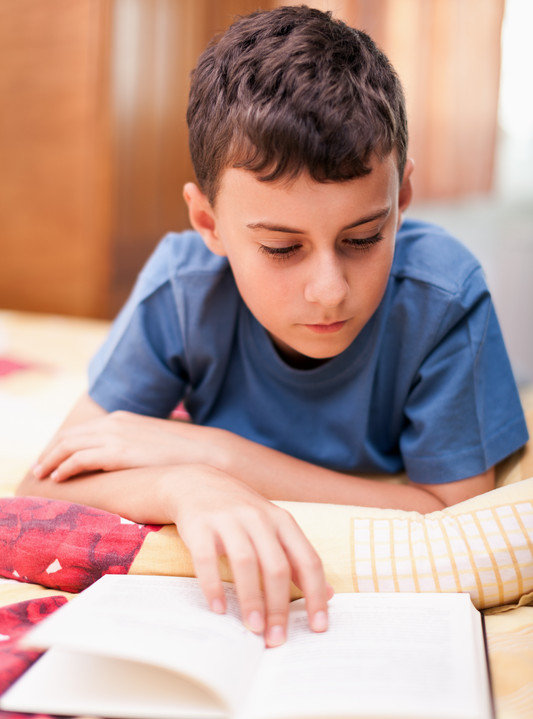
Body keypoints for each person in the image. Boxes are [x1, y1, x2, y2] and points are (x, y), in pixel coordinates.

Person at [18, 6, 528, 646]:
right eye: (283, 249)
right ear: (208, 224)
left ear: (402, 197)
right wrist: (185, 486)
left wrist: (217, 454)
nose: (330, 291)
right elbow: (41, 483)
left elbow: (450, 515)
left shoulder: (444, 296)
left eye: (365, 237)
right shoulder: (182, 290)